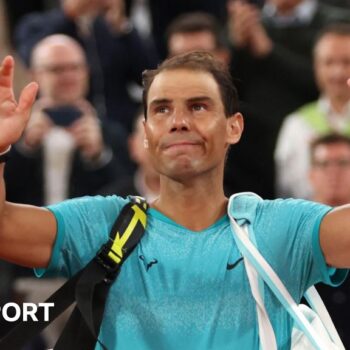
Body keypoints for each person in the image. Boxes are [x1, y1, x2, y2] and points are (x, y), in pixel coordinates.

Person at [0, 51, 350, 349]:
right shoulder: (103, 224)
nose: (179, 121)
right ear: (147, 133)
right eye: (162, 110)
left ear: (234, 127)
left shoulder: (279, 229)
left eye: (198, 106)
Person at [4, 34, 131, 207]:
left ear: (86, 72)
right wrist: (25, 149)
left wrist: (98, 156)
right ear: (34, 74)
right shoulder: (12, 134)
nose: (68, 77)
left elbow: (129, 198)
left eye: (75, 68)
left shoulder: (113, 134)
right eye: (57, 69)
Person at [166, 11, 275, 198]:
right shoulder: (157, 121)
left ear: (223, 58)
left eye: (199, 58)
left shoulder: (256, 126)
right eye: (180, 58)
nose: (189, 68)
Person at [14, 0, 159, 133]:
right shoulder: (36, 24)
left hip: (117, 128)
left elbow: (149, 76)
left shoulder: (109, 28)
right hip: (58, 125)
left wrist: (121, 24)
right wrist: (69, 14)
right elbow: (32, 58)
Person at [275, 24, 350, 199]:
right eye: (329, 62)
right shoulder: (295, 126)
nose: (337, 72)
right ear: (316, 67)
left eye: (347, 62)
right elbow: (285, 193)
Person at [308, 133, 350, 348]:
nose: (334, 172)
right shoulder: (292, 235)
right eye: (324, 164)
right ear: (311, 175)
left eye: (343, 163)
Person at [101, 111, 160, 201]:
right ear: (133, 146)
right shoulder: (111, 203)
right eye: (147, 140)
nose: (156, 149)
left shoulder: (188, 202)